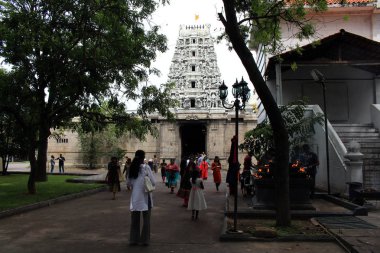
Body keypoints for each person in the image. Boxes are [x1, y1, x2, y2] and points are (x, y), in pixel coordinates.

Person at [127, 150, 155, 246]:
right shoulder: (146, 168)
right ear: (143, 157)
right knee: (146, 220)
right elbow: (153, 182)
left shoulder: (131, 168)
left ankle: (133, 239)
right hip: (146, 197)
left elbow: (129, 183)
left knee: (135, 220)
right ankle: (145, 240)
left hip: (135, 197)